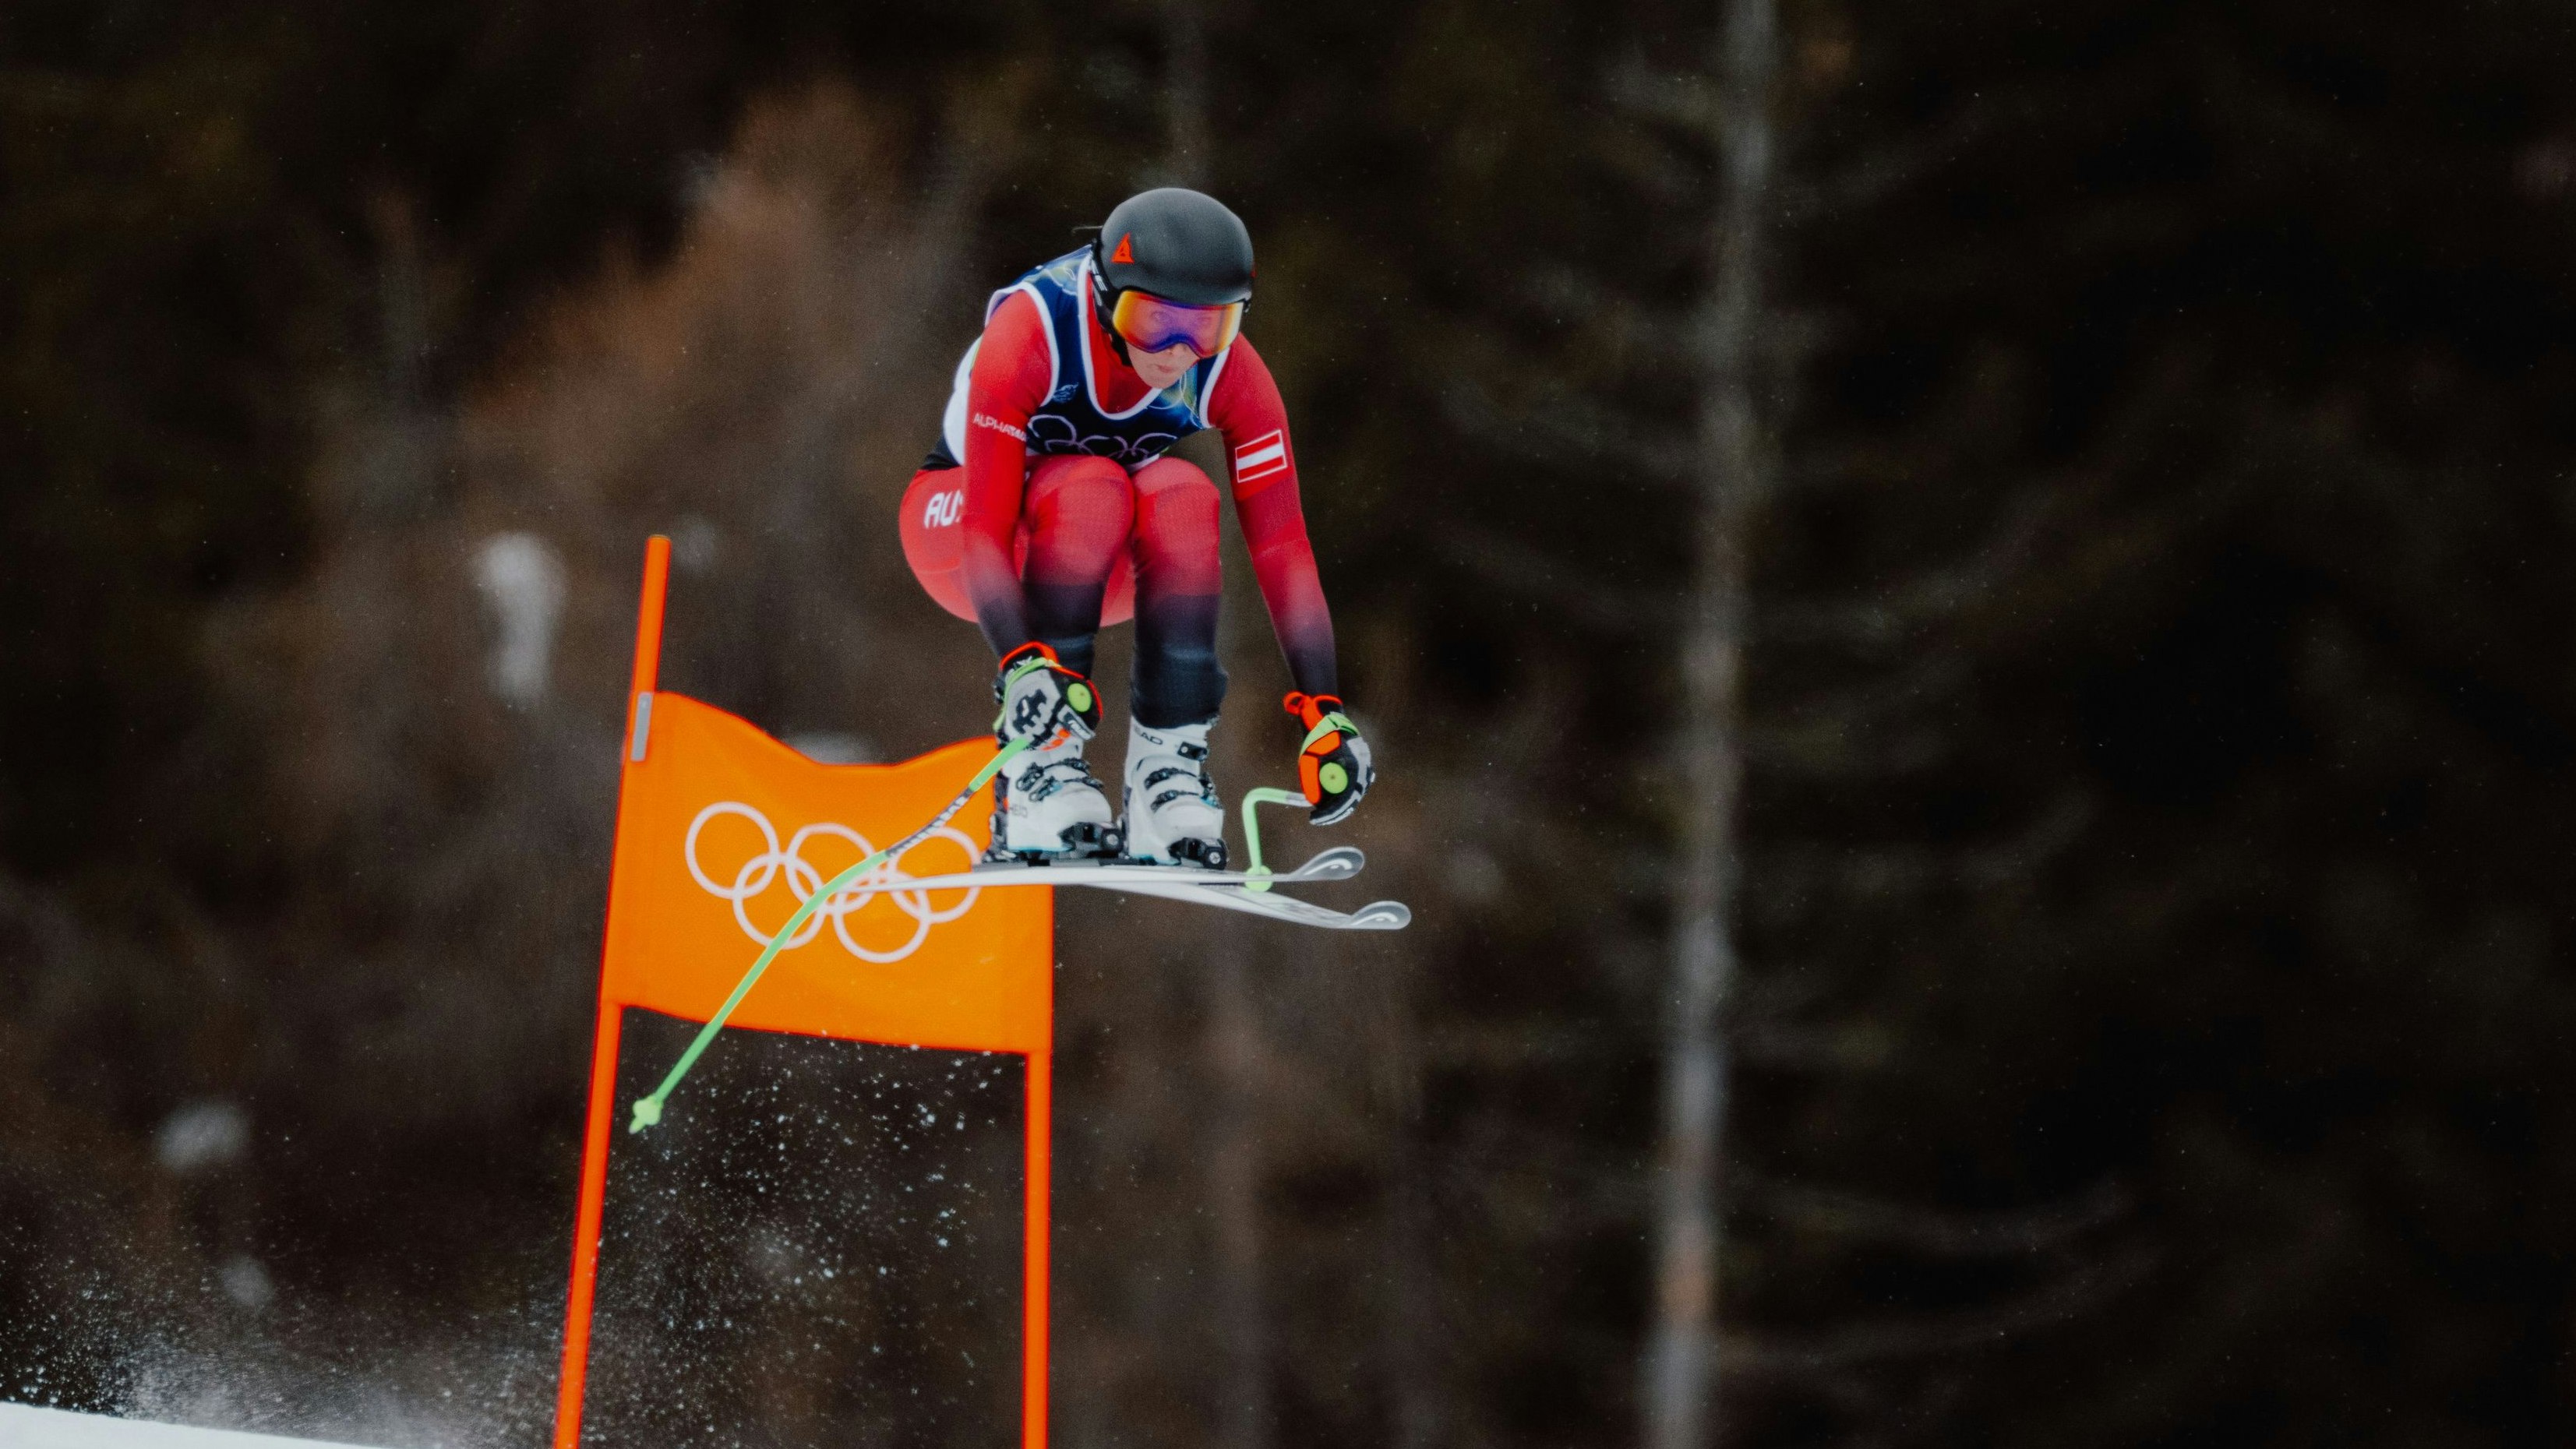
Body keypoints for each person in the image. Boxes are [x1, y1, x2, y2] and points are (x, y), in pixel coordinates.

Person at [898, 187, 1372, 867]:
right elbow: (983, 528)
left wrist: (1324, 707)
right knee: (1089, 484)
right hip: (961, 537)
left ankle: (1165, 773)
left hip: (1087, 560)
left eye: (1208, 327)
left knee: (1184, 493)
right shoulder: (1035, 331)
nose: (1178, 353)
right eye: (1153, 321)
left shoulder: (1226, 372)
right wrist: (1021, 663)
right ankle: (1036, 772)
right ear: (1103, 297)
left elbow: (1282, 545)